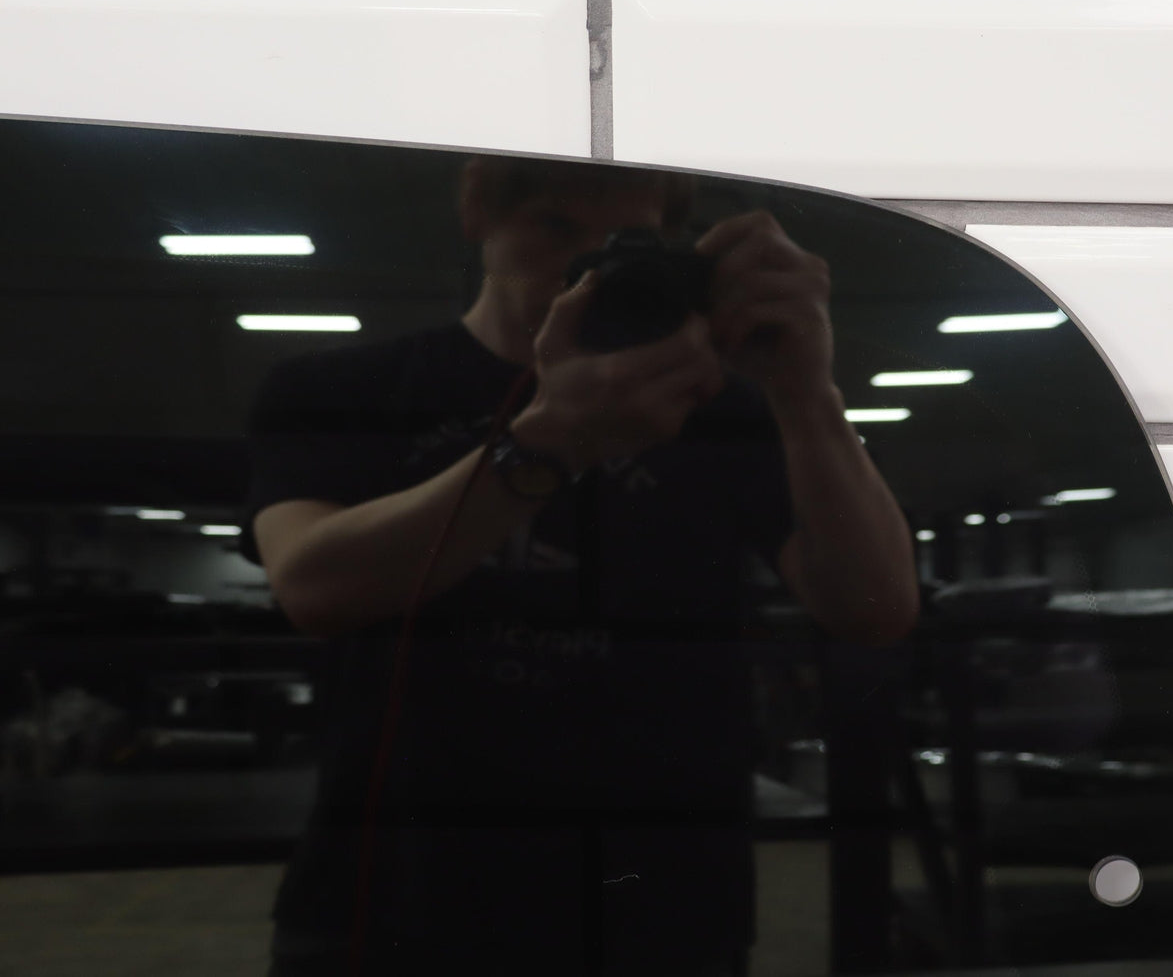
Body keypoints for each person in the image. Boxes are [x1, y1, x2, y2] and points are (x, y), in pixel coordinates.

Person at [241, 155, 920, 976]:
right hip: (394, 897)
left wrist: (807, 390)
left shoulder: (718, 406)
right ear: (479, 216)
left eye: (629, 241)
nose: (586, 265)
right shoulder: (344, 390)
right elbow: (312, 585)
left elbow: (877, 608)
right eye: (554, 226)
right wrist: (551, 439)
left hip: (657, 901)